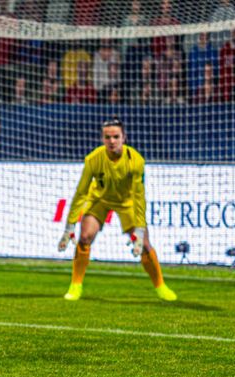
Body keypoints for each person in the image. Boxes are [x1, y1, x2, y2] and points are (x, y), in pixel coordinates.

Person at [57, 118, 177, 302]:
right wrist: (70, 225)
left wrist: (139, 227)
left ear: (123, 138)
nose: (112, 141)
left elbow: (138, 197)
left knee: (144, 244)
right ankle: (75, 286)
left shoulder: (136, 160)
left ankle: (161, 286)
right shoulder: (93, 159)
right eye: (107, 137)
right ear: (102, 139)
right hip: (100, 199)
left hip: (126, 202)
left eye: (115, 137)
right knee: (85, 237)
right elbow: (81, 192)